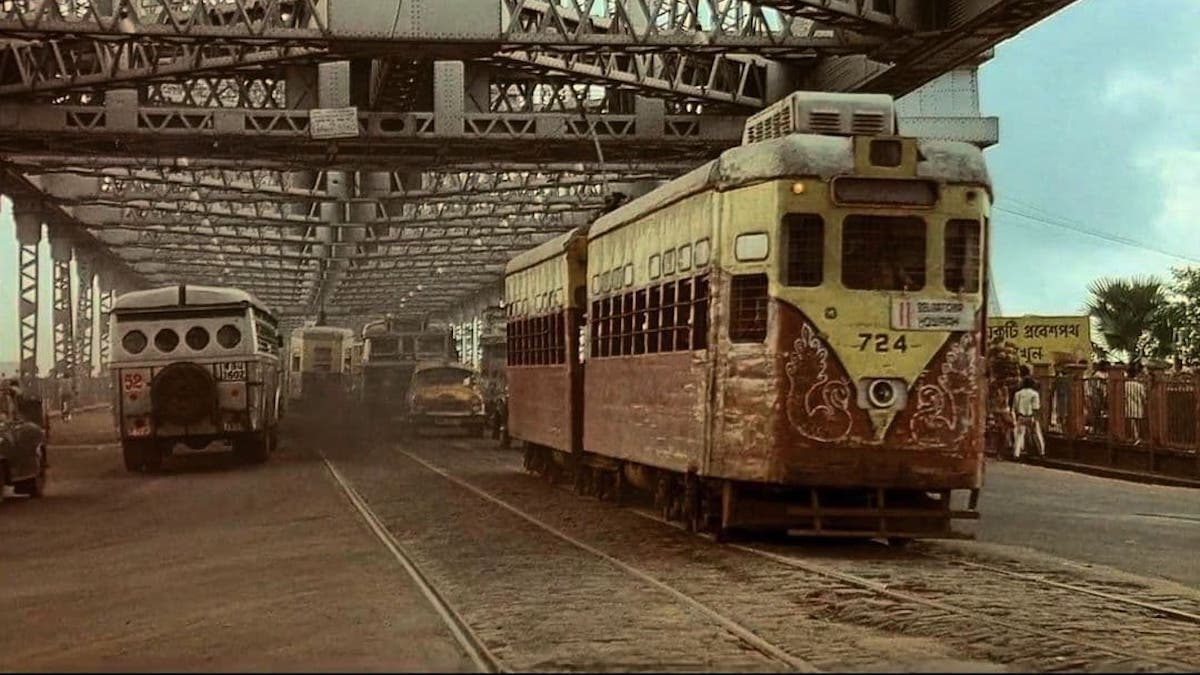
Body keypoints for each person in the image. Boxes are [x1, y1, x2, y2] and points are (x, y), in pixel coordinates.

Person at [1011, 377, 1044, 459]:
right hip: (1031, 416)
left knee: (1019, 436)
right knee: (1037, 434)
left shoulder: (1017, 394)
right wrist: (1036, 418)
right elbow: (1035, 408)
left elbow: (1014, 407)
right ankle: (1041, 452)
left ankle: (1016, 454)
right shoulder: (1034, 394)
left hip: (1021, 416)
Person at [1124, 364, 1147, 445]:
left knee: (1131, 422)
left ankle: (1133, 437)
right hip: (1138, 406)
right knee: (1137, 423)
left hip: (1129, 406)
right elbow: (1144, 397)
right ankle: (1137, 437)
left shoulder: (1125, 385)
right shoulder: (1139, 385)